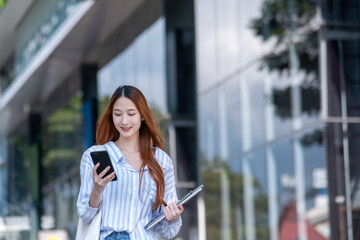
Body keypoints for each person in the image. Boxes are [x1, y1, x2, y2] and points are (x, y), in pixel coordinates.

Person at [77, 85, 183, 240]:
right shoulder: (94, 156)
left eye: (131, 114)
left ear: (142, 115)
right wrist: (97, 190)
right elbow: (85, 216)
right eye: (118, 114)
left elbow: (167, 231)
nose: (124, 121)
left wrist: (172, 218)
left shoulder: (160, 161)